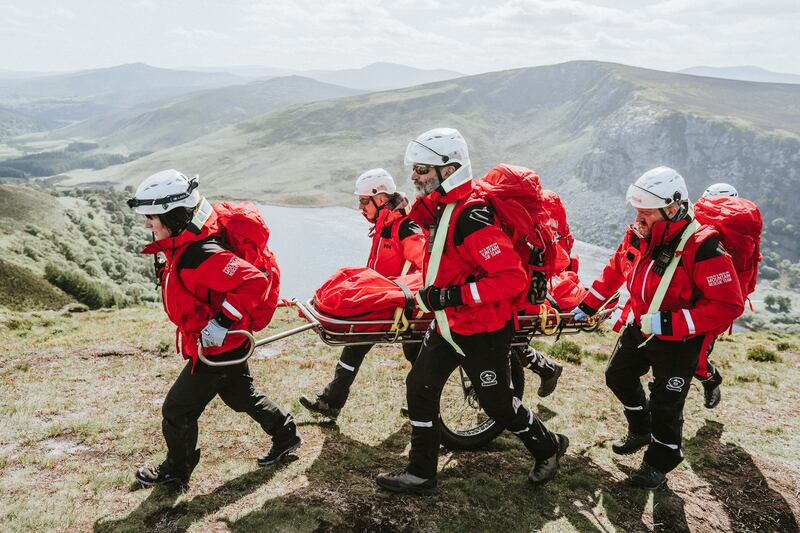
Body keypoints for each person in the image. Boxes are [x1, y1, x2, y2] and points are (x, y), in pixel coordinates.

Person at [375, 128, 568, 495]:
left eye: (421, 169)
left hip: (483, 330)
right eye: (414, 168)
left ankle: (549, 446)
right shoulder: (445, 207)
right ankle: (421, 473)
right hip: (450, 325)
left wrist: (447, 297)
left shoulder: (471, 217)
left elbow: (510, 279)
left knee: (496, 404)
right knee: (420, 387)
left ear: (448, 171)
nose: (413, 176)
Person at [127, 169, 300, 487]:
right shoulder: (185, 244)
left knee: (177, 410)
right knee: (240, 396)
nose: (147, 224)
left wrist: (221, 322)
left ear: (173, 215)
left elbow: (252, 280)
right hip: (219, 345)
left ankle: (175, 471)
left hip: (217, 349)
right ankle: (286, 434)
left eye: (152, 217)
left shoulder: (200, 253)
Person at [573, 167, 744, 489]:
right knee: (617, 376)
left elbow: (728, 304)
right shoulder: (640, 234)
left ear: (673, 207)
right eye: (637, 211)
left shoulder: (704, 247)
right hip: (641, 325)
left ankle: (661, 460)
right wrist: (587, 305)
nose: (640, 219)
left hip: (680, 340)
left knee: (667, 402)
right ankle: (640, 428)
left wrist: (671, 323)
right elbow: (617, 267)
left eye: (647, 213)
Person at [299, 168, 426, 420]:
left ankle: (421, 408)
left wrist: (396, 289)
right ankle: (330, 402)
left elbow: (426, 265)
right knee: (356, 346)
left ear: (380, 199)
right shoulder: (384, 225)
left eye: (363, 200)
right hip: (380, 302)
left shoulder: (405, 227)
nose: (360, 206)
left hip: (398, 306)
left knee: (415, 357)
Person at [691, 182, 761, 408]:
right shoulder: (744, 232)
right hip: (724, 304)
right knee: (686, 353)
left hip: (697, 297)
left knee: (689, 355)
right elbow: (748, 273)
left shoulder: (701, 223)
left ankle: (710, 379)